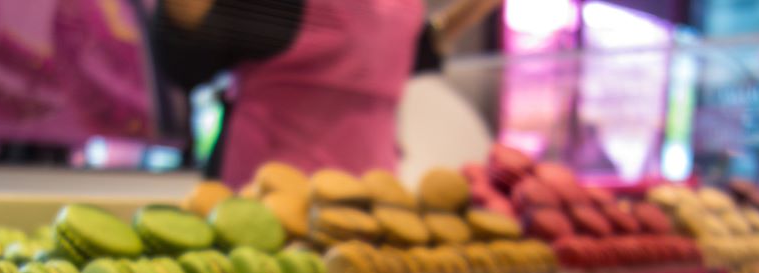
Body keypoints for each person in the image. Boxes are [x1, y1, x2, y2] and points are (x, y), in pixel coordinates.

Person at [153, 0, 502, 186]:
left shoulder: (401, 8)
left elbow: (416, 52)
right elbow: (186, 57)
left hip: (370, 209)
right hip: (265, 206)